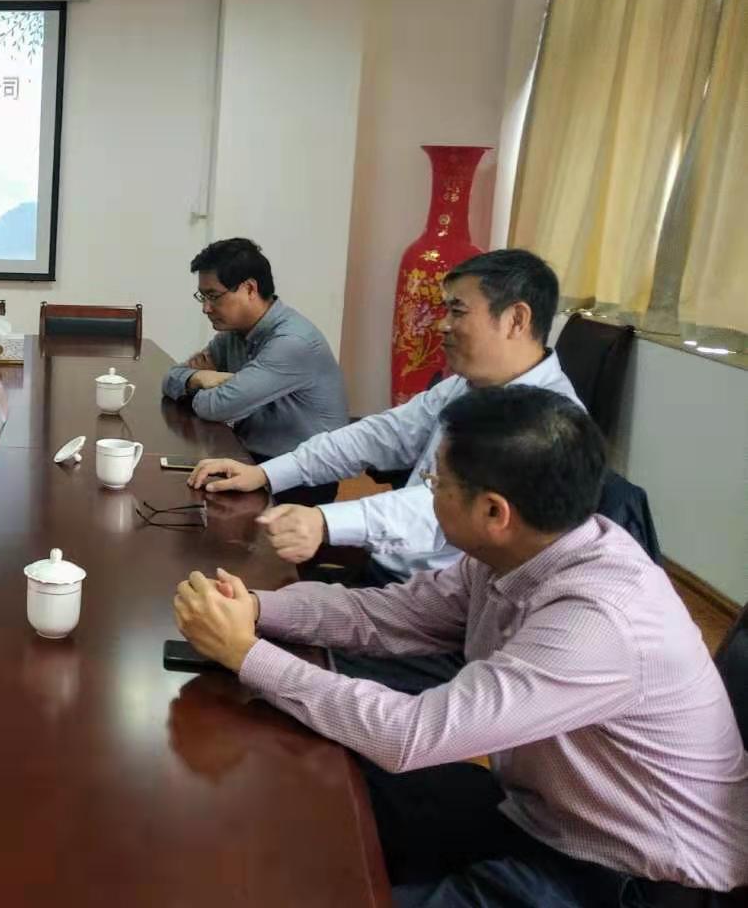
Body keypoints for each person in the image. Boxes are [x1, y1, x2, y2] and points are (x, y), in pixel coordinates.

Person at [172, 387, 748, 906]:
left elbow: (411, 734)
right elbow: (390, 614)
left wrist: (248, 654)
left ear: (494, 511)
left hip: (634, 878)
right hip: (546, 814)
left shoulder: (599, 621)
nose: (430, 492)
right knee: (316, 785)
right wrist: (257, 608)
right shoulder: (522, 551)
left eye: (436, 483)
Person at [187, 248, 580, 585]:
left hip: (440, 602)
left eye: (457, 311)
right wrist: (266, 473)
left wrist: (325, 522)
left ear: (516, 320)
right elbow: (380, 435)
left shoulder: (544, 422)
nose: (442, 324)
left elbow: (445, 509)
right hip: (391, 573)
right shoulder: (469, 384)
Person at [162, 238, 347, 504]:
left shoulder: (291, 342)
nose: (205, 308)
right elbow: (170, 378)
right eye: (203, 297)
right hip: (253, 459)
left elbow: (216, 407)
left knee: (188, 503)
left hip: (300, 477)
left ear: (249, 288)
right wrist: (198, 378)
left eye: (214, 296)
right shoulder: (234, 333)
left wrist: (209, 391)